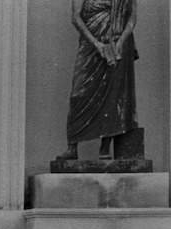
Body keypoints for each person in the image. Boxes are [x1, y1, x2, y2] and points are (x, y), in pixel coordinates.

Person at [57, 0, 138, 161]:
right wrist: (96, 44)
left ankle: (104, 148)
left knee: (113, 95)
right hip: (91, 46)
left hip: (117, 46)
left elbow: (132, 16)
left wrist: (121, 41)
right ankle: (72, 147)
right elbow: (76, 17)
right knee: (79, 93)